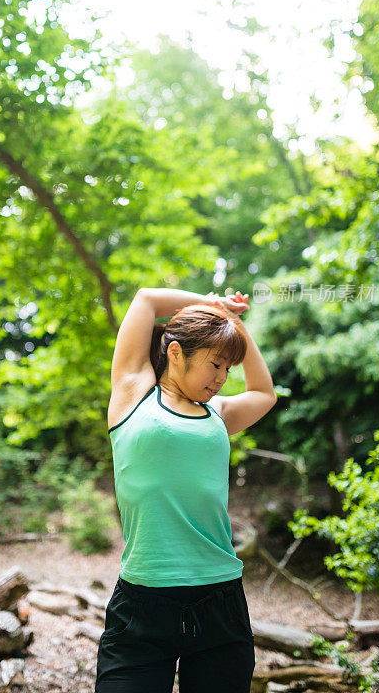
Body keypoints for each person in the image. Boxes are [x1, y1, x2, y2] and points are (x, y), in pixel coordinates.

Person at [95, 287, 277, 693]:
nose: (222, 378)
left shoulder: (219, 413)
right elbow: (145, 299)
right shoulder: (133, 394)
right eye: (215, 364)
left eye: (228, 369)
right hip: (142, 606)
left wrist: (236, 326)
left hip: (220, 603)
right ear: (175, 353)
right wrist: (215, 306)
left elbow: (265, 394)